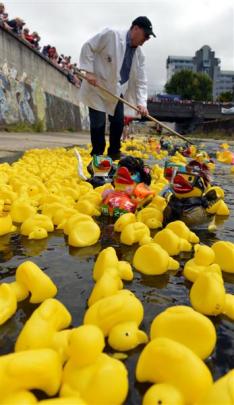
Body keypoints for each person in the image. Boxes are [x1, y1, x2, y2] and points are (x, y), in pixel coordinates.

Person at [79, 16, 156, 160]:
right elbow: (88, 46)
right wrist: (88, 72)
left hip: (116, 91)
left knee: (118, 122)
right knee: (98, 124)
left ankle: (114, 151)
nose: (145, 41)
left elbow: (141, 80)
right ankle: (97, 153)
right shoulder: (111, 35)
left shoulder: (139, 55)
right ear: (135, 29)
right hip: (97, 88)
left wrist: (141, 103)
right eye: (145, 36)